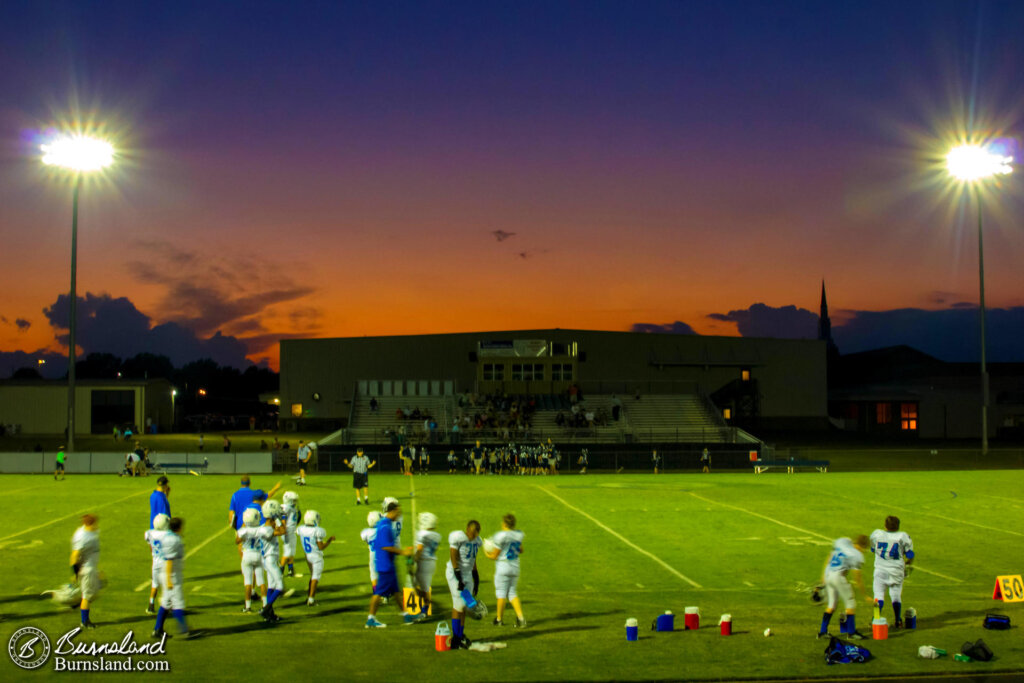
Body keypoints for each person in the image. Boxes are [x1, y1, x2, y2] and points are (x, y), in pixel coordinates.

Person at [365, 500, 417, 628]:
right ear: (392, 511)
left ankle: (406, 615)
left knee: (396, 592)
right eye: (398, 512)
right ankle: (371, 619)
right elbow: (386, 546)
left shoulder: (385, 524)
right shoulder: (385, 526)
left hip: (388, 564)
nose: (399, 515)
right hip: (385, 565)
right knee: (378, 593)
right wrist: (402, 552)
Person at [817, 535, 870, 640]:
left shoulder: (843, 542)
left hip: (829, 574)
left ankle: (822, 632)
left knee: (832, 604)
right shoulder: (857, 555)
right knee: (851, 603)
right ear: (862, 546)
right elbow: (857, 578)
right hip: (838, 577)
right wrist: (865, 595)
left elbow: (830, 557)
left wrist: (823, 576)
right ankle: (851, 633)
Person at [152, 517, 194, 639]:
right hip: (172, 574)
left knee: (166, 601)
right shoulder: (173, 539)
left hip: (166, 572)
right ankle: (184, 631)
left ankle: (157, 629)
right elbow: (169, 560)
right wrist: (170, 580)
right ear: (179, 527)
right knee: (178, 602)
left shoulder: (167, 536)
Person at [870, 516, 914, 629]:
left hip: (880, 569)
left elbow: (873, 549)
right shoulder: (903, 536)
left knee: (878, 596)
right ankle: (898, 620)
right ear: (898, 526)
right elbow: (910, 554)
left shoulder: (877, 534)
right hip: (896, 570)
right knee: (896, 595)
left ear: (885, 525)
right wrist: (908, 563)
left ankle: (875, 618)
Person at [445, 519, 484, 648]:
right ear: (467, 529)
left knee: (466, 605)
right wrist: (457, 574)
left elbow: (472, 559)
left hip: (467, 574)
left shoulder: (477, 541)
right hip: (455, 574)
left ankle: (460, 635)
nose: (473, 536)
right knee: (458, 605)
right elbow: (453, 555)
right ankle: (456, 639)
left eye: (475, 534)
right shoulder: (458, 537)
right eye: (471, 533)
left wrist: (476, 576)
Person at [486, 513, 526, 627]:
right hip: (515, 567)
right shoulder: (518, 534)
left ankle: (499, 619)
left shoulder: (500, 536)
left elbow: (494, 556)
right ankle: (521, 619)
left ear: (504, 523)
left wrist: (486, 552)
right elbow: (521, 550)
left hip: (503, 567)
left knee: (501, 594)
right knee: (512, 593)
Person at [257, 500, 287, 623]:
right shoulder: (267, 529)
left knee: (272, 586)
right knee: (280, 586)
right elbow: (283, 531)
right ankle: (265, 609)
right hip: (270, 560)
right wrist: (281, 519)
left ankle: (270, 615)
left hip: (268, 559)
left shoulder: (265, 527)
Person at [297, 509, 334, 606]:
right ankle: (311, 600)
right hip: (316, 556)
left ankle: (309, 596)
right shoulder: (318, 531)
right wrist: (329, 541)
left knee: (313, 576)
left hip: (307, 555)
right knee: (315, 577)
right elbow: (321, 547)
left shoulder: (301, 529)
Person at [70, 514, 101, 629]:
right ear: (91, 524)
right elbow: (74, 556)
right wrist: (75, 573)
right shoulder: (84, 537)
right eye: (95, 523)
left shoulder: (85, 531)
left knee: (95, 590)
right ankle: (85, 621)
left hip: (90, 567)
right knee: (87, 596)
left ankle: (79, 603)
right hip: (87, 569)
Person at [235, 508, 266, 613]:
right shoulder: (262, 529)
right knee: (261, 581)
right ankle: (265, 604)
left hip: (247, 555)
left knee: (248, 582)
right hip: (258, 554)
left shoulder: (243, 531)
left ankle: (247, 606)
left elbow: (237, 541)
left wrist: (244, 534)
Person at [414, 512, 442, 610]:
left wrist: (414, 560)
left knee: (422, 588)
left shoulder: (422, 534)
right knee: (422, 586)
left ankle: (425, 609)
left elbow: (420, 549)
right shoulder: (437, 535)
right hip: (431, 561)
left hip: (423, 562)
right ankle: (424, 606)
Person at [146, 514, 171, 614]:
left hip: (155, 562)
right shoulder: (167, 535)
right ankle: (167, 607)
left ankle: (151, 605)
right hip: (164, 563)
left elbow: (150, 546)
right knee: (167, 586)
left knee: (154, 584)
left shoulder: (149, 533)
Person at [280, 491, 301, 577]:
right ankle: (280, 571)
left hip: (292, 531)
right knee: (287, 552)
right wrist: (284, 531)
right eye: (293, 500)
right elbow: (283, 520)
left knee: (291, 551)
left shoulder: (291, 508)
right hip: (287, 532)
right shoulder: (285, 508)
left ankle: (290, 570)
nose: (295, 502)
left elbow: (295, 521)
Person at [360, 510, 381, 590]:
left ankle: (376, 592)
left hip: (372, 555)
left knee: (373, 575)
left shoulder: (365, 532)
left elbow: (365, 539)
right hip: (382, 555)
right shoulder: (382, 530)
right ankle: (385, 595)